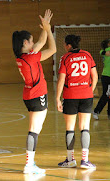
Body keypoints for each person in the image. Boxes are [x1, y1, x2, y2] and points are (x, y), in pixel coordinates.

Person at [12, 9, 55, 174]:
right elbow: (51, 49)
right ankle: (29, 165)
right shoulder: (31, 57)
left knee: (33, 128)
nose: (33, 43)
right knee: (34, 130)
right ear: (24, 43)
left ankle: (30, 163)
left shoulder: (22, 57)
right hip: (38, 95)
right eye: (30, 41)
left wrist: (45, 27)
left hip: (29, 95)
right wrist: (49, 29)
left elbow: (40, 42)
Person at [56, 34, 98, 169]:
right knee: (85, 127)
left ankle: (70, 160)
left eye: (64, 44)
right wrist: (90, 90)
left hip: (70, 96)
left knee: (70, 128)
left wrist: (57, 98)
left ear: (68, 45)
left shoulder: (65, 58)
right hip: (86, 95)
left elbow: (61, 79)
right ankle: (85, 160)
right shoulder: (87, 55)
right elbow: (95, 75)